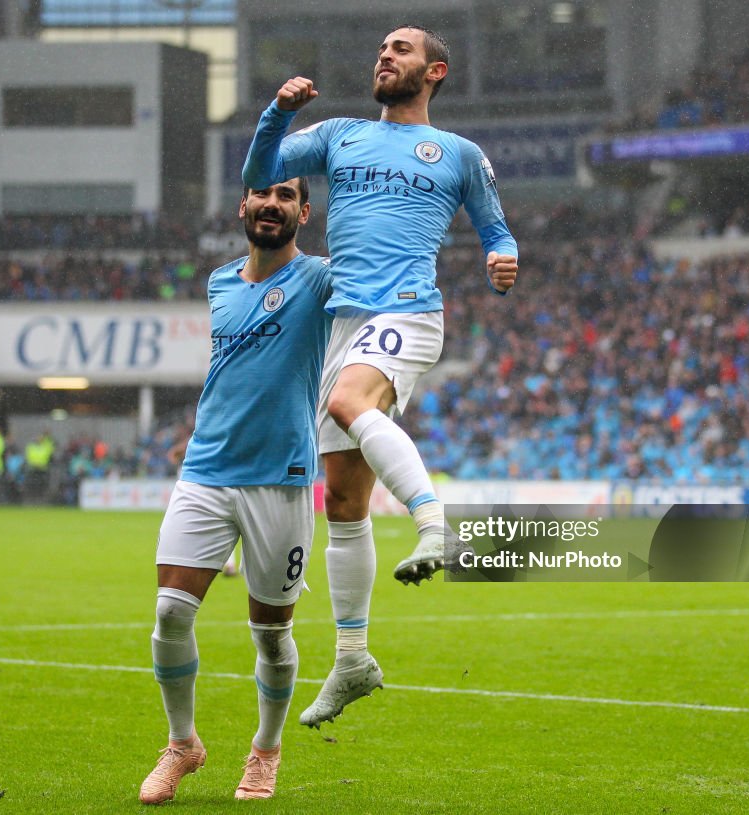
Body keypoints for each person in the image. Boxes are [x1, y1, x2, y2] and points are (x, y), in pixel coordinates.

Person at [242, 25, 519, 726]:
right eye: (382, 49)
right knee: (341, 501)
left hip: (408, 310)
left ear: (436, 70)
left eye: (401, 49)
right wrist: (279, 112)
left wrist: (502, 256)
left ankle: (434, 524)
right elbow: (257, 174)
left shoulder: (459, 153)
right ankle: (354, 658)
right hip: (343, 321)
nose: (385, 56)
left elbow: (495, 226)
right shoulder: (338, 135)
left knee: (346, 400)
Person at [138, 177, 331, 804]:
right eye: (261, 194)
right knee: (170, 610)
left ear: (303, 211)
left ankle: (266, 752)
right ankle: (182, 745)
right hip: (207, 469)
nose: (271, 204)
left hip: (282, 479)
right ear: (243, 206)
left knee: (272, 634)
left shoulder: (320, 279)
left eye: (285, 195)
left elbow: (381, 272)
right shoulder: (220, 282)